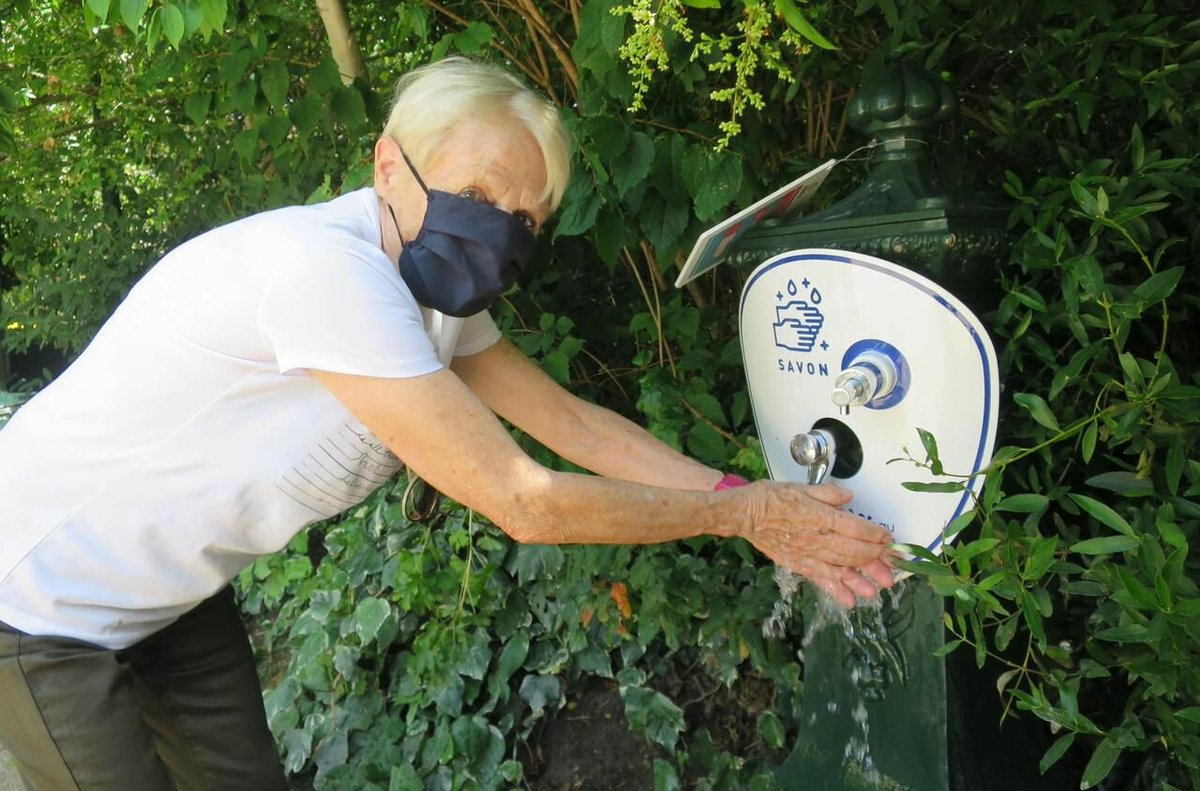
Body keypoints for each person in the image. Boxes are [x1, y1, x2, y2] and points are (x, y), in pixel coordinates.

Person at [0, 57, 893, 789]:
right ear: (390, 165)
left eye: (525, 218)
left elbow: (573, 423)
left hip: (172, 593)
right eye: (478, 191)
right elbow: (526, 500)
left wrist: (749, 498)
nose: (498, 233)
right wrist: (742, 519)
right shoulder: (323, 272)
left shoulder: (431, 297)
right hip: (38, 600)